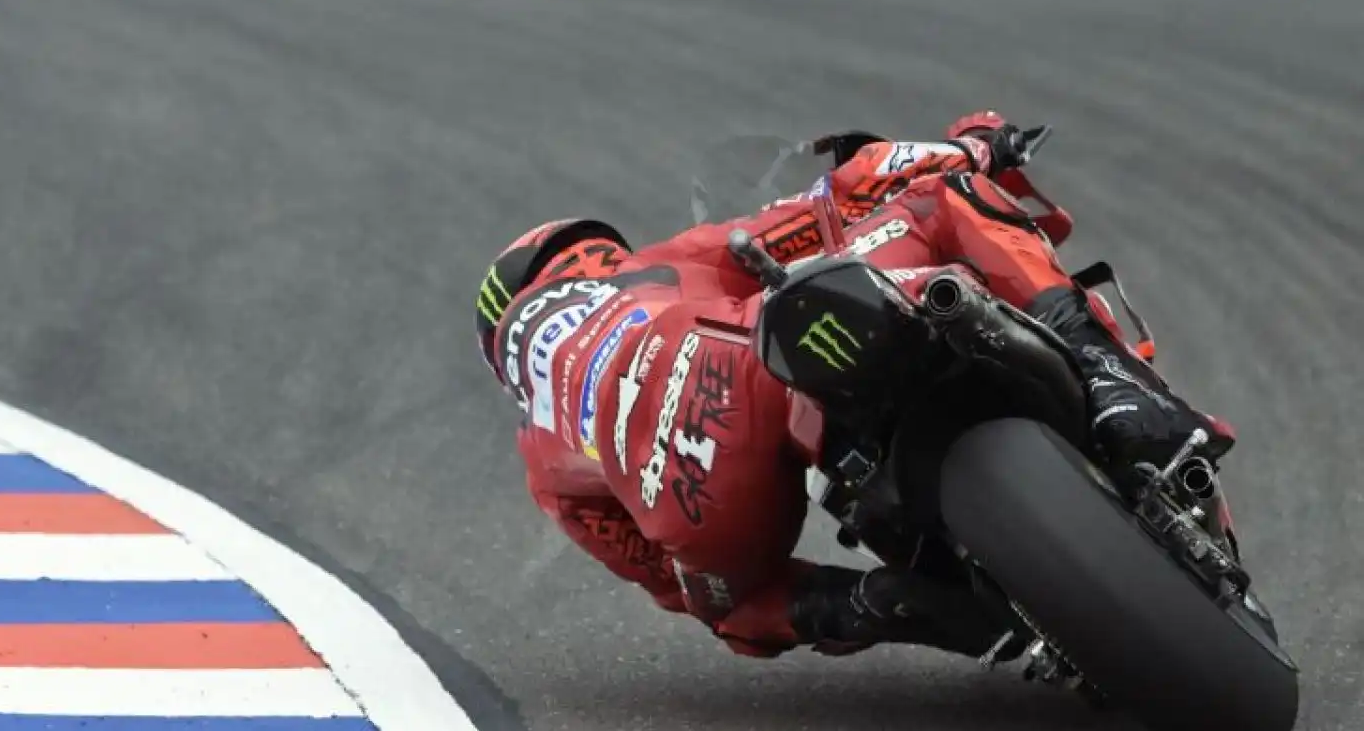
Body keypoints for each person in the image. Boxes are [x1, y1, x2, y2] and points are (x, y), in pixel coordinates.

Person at [471, 112, 1224, 658]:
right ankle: (1110, 379)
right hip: (736, 373)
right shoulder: (654, 266)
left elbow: (671, 585)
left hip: (699, 513)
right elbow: (838, 198)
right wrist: (976, 144)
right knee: (941, 199)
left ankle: (888, 603)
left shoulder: (546, 458)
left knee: (733, 602)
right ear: (586, 257)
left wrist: (791, 603)